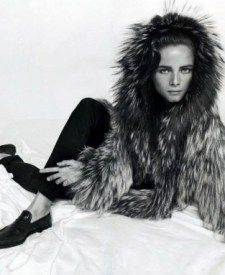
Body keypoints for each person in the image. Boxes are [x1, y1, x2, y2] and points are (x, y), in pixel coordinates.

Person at [0, 10, 225, 249]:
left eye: (185, 69)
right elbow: (121, 155)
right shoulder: (140, 103)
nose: (176, 81)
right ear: (149, 71)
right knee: (89, 108)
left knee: (53, 178)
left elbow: (164, 196)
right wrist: (92, 170)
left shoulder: (205, 127)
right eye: (164, 70)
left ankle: (12, 165)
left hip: (140, 182)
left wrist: (87, 175)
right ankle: (39, 206)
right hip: (116, 158)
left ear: (197, 72)